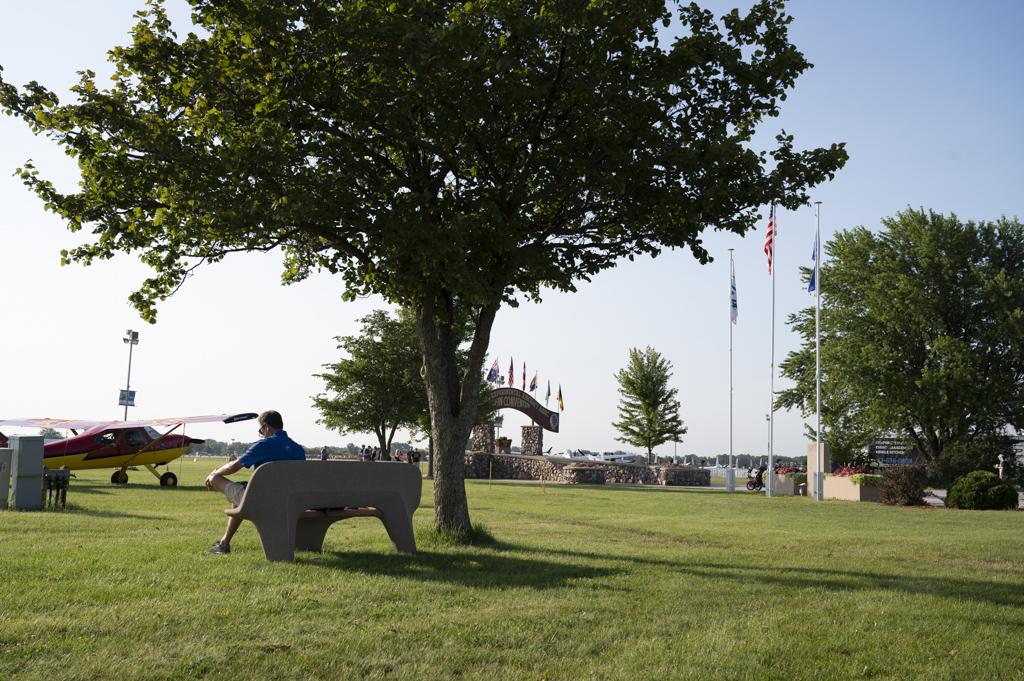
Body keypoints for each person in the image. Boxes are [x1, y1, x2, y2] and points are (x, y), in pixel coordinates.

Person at [204, 410, 306, 554]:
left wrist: (214, 473)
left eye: (261, 429)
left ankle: (224, 544)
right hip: (290, 501)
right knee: (242, 493)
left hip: (263, 500)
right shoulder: (298, 450)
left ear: (267, 427)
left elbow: (233, 467)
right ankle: (224, 542)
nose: (262, 433)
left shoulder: (264, 445)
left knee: (215, 479)